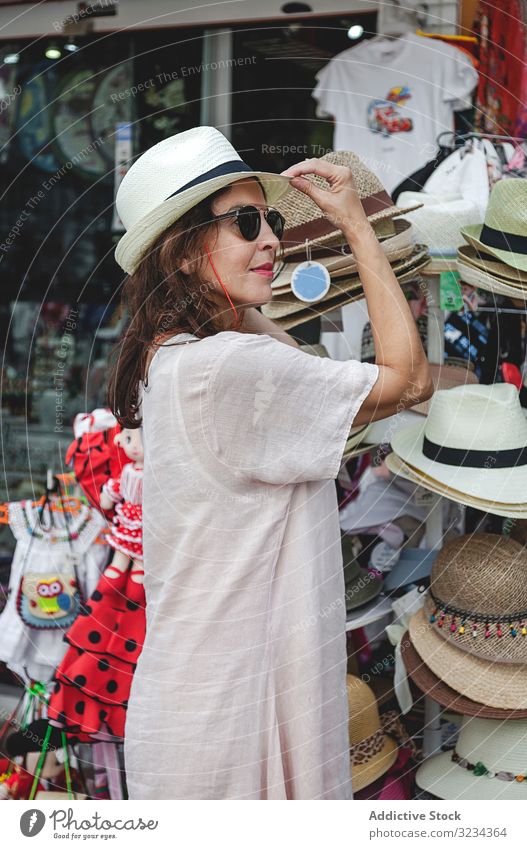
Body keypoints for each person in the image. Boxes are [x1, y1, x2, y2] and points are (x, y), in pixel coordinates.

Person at [107, 126, 432, 800]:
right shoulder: (229, 367)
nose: (272, 239)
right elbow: (407, 379)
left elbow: (296, 360)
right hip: (232, 728)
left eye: (272, 219)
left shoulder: (171, 355)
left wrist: (244, 268)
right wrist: (355, 230)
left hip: (203, 712)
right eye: (245, 221)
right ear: (186, 249)